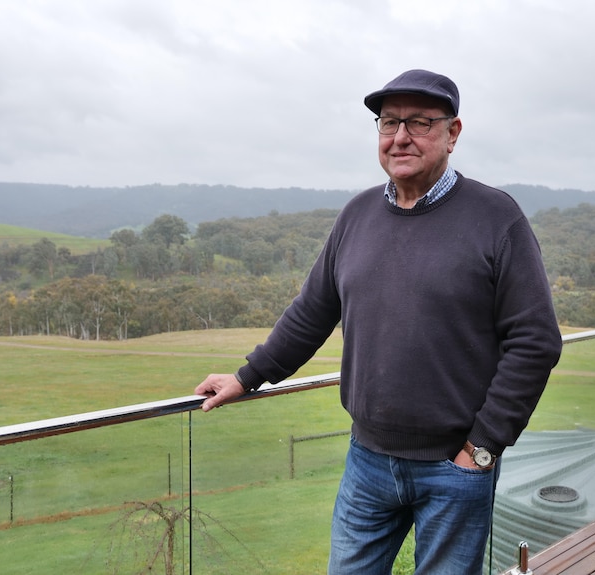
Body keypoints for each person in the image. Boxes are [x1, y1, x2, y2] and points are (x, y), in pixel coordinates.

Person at [195, 69, 562, 574]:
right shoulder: (357, 215)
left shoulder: (497, 219)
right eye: (389, 123)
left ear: (453, 133)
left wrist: (481, 448)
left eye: (419, 122)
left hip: (455, 464)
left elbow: (535, 341)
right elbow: (311, 311)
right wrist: (246, 376)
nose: (401, 137)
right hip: (367, 459)